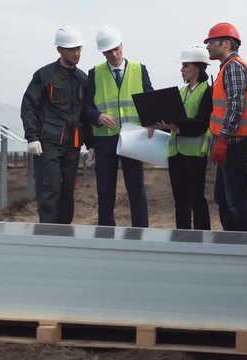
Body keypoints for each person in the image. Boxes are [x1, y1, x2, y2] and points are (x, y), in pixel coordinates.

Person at [83, 25, 154, 227]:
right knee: (105, 190)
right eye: (108, 51)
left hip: (133, 138)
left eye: (116, 49)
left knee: (136, 189)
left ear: (122, 45)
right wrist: (98, 116)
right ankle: (106, 233)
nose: (114, 54)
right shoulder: (94, 74)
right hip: (105, 139)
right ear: (102, 52)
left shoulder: (140, 70)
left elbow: (150, 101)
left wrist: (151, 123)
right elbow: (86, 109)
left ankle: (141, 231)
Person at [20, 25, 90, 224]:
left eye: (79, 49)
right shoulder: (44, 75)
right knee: (50, 190)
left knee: (68, 191)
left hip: (73, 146)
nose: (76, 53)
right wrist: (32, 137)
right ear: (59, 50)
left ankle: (64, 235)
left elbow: (85, 114)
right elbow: (28, 107)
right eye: (71, 49)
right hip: (48, 144)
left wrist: (91, 143)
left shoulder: (83, 79)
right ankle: (48, 236)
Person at [204, 22, 247, 232]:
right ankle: (231, 243)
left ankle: (244, 247)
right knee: (224, 198)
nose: (207, 46)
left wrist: (223, 138)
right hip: (229, 142)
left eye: (211, 42)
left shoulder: (234, 66)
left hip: (236, 143)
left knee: (236, 200)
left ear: (226, 43)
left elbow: (235, 105)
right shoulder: (226, 67)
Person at [156, 45, 212, 230]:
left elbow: (203, 123)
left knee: (196, 197)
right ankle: (182, 237)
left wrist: (178, 128)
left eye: (185, 66)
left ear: (198, 67)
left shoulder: (207, 91)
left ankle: (202, 237)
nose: (182, 70)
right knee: (179, 199)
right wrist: (163, 125)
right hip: (176, 152)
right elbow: (175, 118)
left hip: (194, 152)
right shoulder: (180, 93)